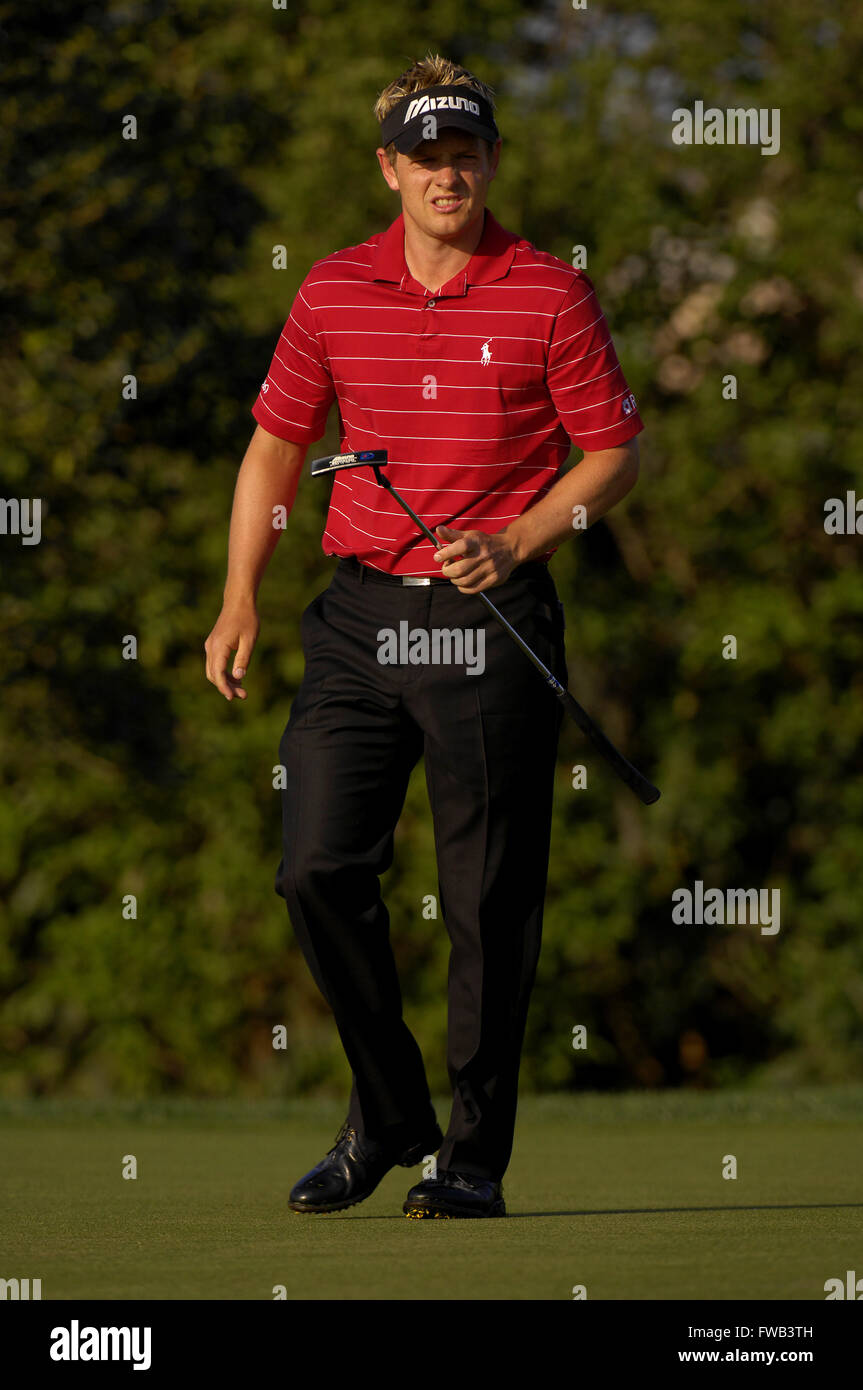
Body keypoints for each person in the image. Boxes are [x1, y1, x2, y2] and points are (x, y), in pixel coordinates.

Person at [204, 54, 644, 1219]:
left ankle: (469, 1158)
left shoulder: (548, 290)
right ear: (388, 167)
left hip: (491, 615)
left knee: (487, 899)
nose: (450, 174)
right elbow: (273, 450)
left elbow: (611, 455)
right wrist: (240, 593)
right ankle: (387, 1106)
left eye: (468, 154)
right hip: (358, 613)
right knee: (314, 866)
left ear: (489, 162)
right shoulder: (332, 290)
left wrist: (523, 535)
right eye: (428, 156)